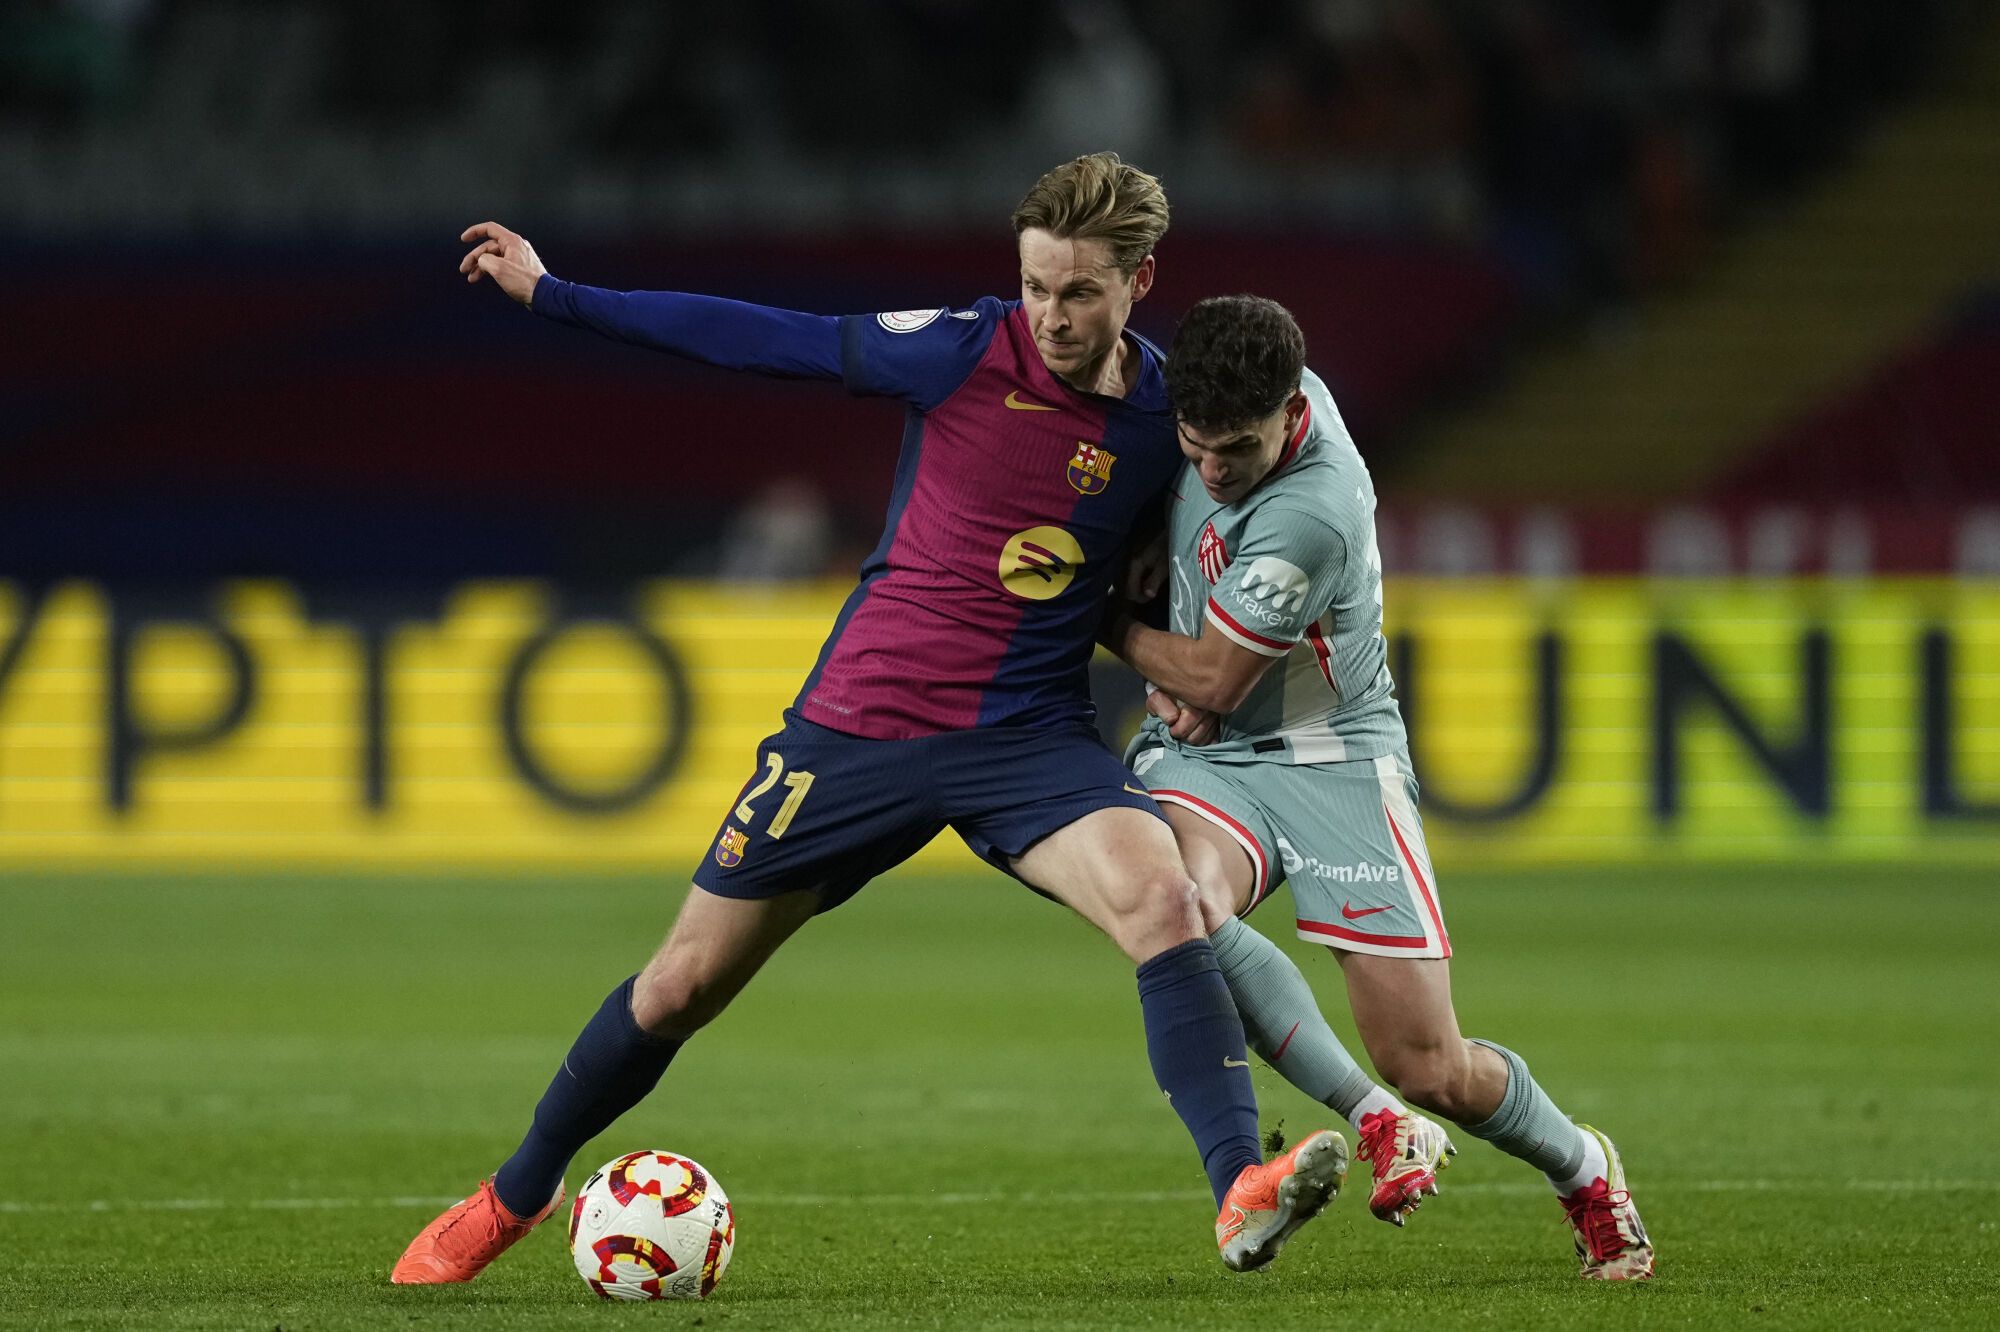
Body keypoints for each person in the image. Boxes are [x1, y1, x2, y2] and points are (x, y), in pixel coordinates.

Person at [390, 155, 1345, 1286]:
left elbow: (1220, 539)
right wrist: (555, 293)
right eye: (1035, 284)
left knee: (1162, 898)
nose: (1048, 314)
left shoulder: (1164, 420)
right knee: (680, 985)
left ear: (1140, 281)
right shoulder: (956, 348)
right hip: (856, 728)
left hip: (1024, 742)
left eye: (1077, 292)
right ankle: (517, 1190)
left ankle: (1238, 1184)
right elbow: (760, 336)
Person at [1101, 294, 1655, 1281]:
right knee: (1176, 903)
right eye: (1197, 446)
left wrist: (1101, 617)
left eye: (1238, 448)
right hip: (1206, 759)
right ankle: (1374, 1120)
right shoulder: (1204, 420)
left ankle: (1580, 1166)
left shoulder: (1313, 508)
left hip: (1332, 751)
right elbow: (1201, 683)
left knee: (1428, 1062)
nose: (1214, 471)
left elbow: (1215, 679)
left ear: (1291, 411)